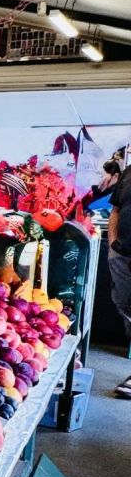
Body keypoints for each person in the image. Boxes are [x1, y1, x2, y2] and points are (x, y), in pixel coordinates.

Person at [105, 154, 131, 397]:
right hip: (122, 253)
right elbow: (115, 210)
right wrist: (113, 243)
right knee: (125, 307)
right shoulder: (129, 173)